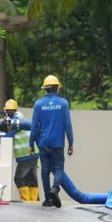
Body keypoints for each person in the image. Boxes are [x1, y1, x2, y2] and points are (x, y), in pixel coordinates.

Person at [31, 75, 74, 208]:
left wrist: (31, 143)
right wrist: (71, 143)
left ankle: (47, 199)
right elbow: (68, 125)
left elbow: (34, 127)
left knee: (44, 169)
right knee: (58, 168)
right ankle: (55, 189)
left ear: (45, 89)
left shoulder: (38, 104)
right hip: (57, 142)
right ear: (57, 89)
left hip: (43, 142)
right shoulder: (63, 104)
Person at [2, 99, 39, 202]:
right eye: (8, 111)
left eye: (12, 110)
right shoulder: (12, 118)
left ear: (15, 110)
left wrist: (3, 137)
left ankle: (26, 200)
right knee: (31, 179)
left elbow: (13, 131)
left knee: (19, 178)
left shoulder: (18, 117)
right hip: (31, 153)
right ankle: (33, 201)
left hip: (26, 153)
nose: (10, 112)